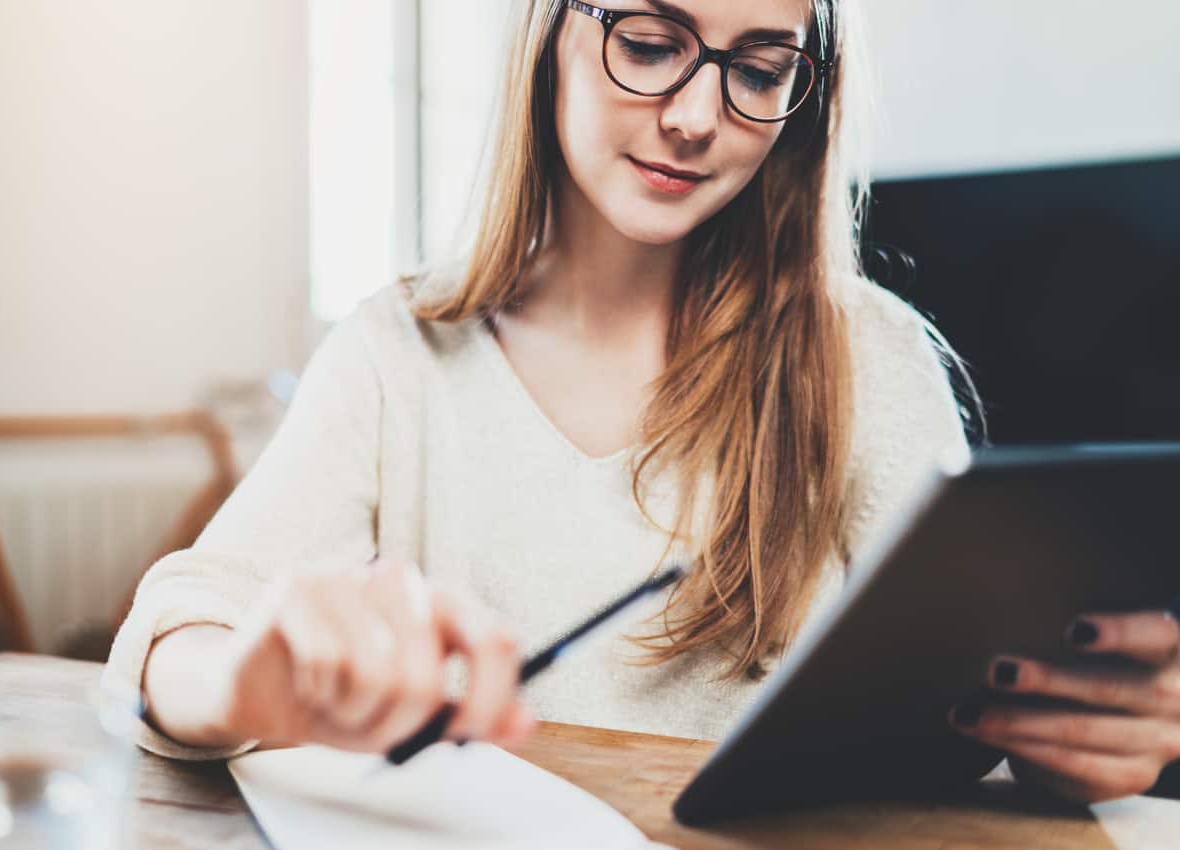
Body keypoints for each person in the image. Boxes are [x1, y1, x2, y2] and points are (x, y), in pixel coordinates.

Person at [105, 0, 1180, 803]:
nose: (699, 116)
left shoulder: (866, 357)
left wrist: (1077, 745)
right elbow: (174, 641)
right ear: (549, 36)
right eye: (653, 43)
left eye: (760, 70)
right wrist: (250, 676)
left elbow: (980, 716)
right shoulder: (399, 353)